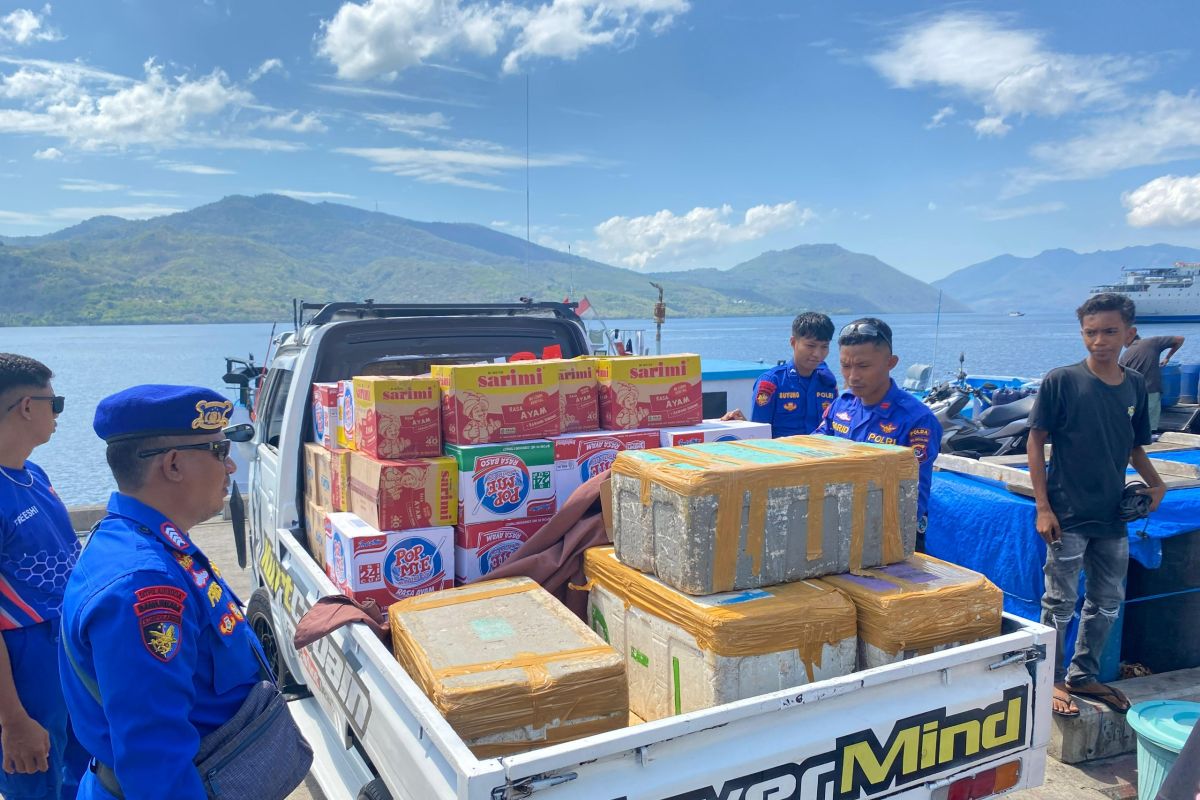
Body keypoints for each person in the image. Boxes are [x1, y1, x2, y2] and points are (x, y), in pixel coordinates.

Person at [58, 385, 266, 799]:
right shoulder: (144, 584)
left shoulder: (147, 539)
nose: (229, 469)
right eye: (219, 451)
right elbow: (155, 758)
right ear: (172, 464)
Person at [1027, 293, 1165, 718]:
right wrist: (1043, 507)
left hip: (1111, 517)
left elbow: (1133, 446)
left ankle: (1082, 674)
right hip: (1067, 515)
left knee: (1107, 601)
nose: (1099, 341)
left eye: (1109, 332)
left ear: (1129, 334)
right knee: (1059, 603)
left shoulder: (1135, 385)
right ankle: (1048, 679)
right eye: (1091, 332)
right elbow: (1035, 441)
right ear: (1082, 334)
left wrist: (1157, 485)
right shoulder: (1061, 381)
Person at [0, 353, 87, 800]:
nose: (58, 414)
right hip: (24, 658)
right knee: (35, 784)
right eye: (55, 403)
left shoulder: (32, 473)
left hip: (64, 648)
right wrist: (13, 721)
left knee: (78, 774)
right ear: (27, 407)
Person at [813, 318, 942, 546]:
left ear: (891, 362)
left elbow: (913, 493)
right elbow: (812, 451)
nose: (852, 376)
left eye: (863, 366)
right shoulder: (841, 405)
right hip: (837, 527)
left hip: (888, 535)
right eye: (845, 365)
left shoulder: (916, 419)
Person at [723, 312, 839, 436]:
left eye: (824, 347)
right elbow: (760, 432)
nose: (817, 353)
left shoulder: (828, 383)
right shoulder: (771, 383)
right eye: (811, 346)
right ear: (793, 342)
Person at [1118, 329, 1185, 432]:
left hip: (1132, 395)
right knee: (1150, 425)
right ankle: (1150, 439)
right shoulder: (1152, 342)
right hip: (1151, 391)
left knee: (1131, 418)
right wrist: (1167, 357)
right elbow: (1180, 339)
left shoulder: (1125, 355)